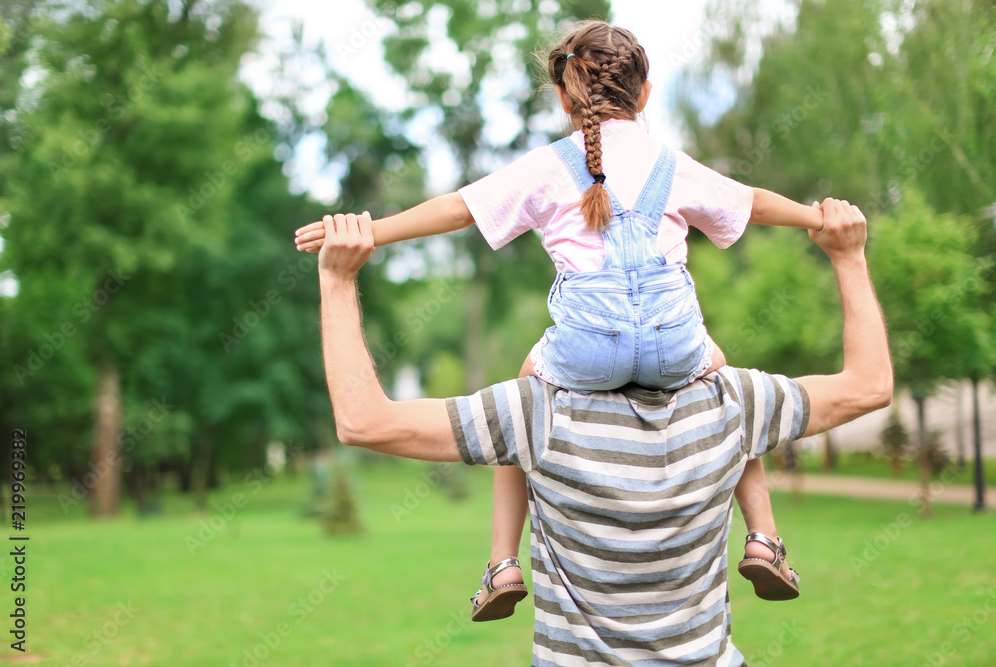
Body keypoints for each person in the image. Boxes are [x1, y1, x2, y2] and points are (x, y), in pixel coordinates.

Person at [297, 20, 826, 619]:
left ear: (563, 97)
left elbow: (456, 209)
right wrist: (816, 218)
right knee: (730, 392)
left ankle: (501, 563)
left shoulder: (548, 166)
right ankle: (764, 537)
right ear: (645, 94)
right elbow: (753, 201)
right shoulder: (672, 164)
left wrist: (371, 230)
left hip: (585, 350)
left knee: (522, 398)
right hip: (673, 344)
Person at [315, 198, 891, 665]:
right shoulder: (731, 403)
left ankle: (499, 562)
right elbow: (869, 384)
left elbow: (365, 420)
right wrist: (848, 256)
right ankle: (765, 536)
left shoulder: (537, 415)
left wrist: (339, 279)